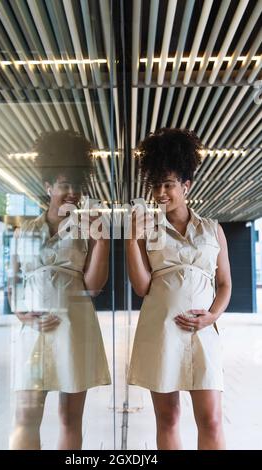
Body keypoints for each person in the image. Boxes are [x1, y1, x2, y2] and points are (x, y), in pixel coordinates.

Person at [126, 128, 232, 450]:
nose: (160, 192)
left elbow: (225, 284)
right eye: (155, 185)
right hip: (161, 332)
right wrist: (131, 238)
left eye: (168, 184)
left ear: (186, 185)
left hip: (203, 334)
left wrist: (212, 316)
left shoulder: (212, 229)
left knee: (211, 419)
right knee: (168, 418)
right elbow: (142, 286)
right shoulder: (146, 231)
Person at [9, 129, 111, 450]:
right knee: (26, 416)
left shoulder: (86, 229)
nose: (71, 193)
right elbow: (13, 284)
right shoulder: (24, 231)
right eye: (65, 185)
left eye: (77, 187)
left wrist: (102, 240)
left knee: (69, 418)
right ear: (48, 186)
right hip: (33, 332)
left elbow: (93, 287)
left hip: (73, 328)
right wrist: (22, 315)